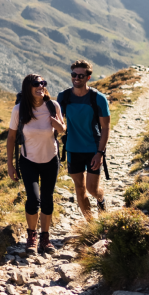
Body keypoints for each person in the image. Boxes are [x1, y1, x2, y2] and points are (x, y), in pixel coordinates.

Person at [6, 73, 66, 253]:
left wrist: (58, 126)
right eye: (36, 84)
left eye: (43, 83)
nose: (40, 86)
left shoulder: (53, 105)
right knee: (33, 199)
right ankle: (31, 235)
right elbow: (10, 138)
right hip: (28, 161)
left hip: (51, 159)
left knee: (47, 200)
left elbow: (63, 130)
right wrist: (10, 164)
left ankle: (45, 238)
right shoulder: (19, 110)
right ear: (27, 88)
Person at [56, 60, 111, 221]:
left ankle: (101, 200)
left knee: (92, 189)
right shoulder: (63, 97)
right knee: (79, 188)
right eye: (74, 75)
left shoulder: (98, 99)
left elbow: (106, 128)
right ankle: (91, 224)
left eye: (81, 75)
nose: (76, 78)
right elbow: (56, 122)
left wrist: (100, 153)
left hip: (93, 149)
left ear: (88, 77)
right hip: (73, 149)